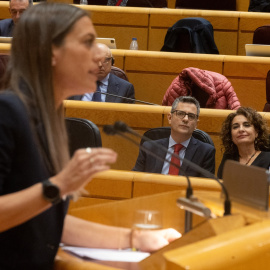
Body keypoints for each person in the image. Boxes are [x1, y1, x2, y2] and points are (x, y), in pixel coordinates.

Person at [0, 3, 180, 269]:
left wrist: (137, 238)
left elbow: (48, 221)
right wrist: (58, 185)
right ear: (52, 52)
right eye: (87, 42)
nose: (98, 56)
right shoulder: (8, 111)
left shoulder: (48, 117)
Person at [133, 96, 216, 177]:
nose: (186, 119)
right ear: (169, 118)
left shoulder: (205, 152)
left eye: (191, 116)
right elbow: (134, 180)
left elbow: (204, 188)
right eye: (180, 113)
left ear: (196, 124)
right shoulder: (149, 148)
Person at [69, 43, 135, 103]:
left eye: (105, 60)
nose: (100, 65)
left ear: (112, 62)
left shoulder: (125, 88)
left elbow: (128, 115)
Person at [217, 107, 270, 179]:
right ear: (231, 135)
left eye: (247, 125)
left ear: (256, 132)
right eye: (235, 127)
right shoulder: (228, 158)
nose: (241, 129)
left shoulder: (268, 158)